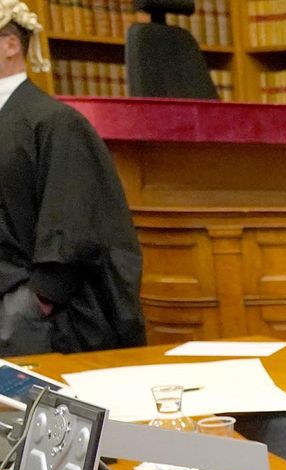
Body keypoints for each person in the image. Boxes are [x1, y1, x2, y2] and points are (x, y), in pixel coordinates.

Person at [0, 1, 145, 355]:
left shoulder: (55, 123)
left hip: (26, 317)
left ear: (10, 45)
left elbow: (74, 227)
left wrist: (35, 302)